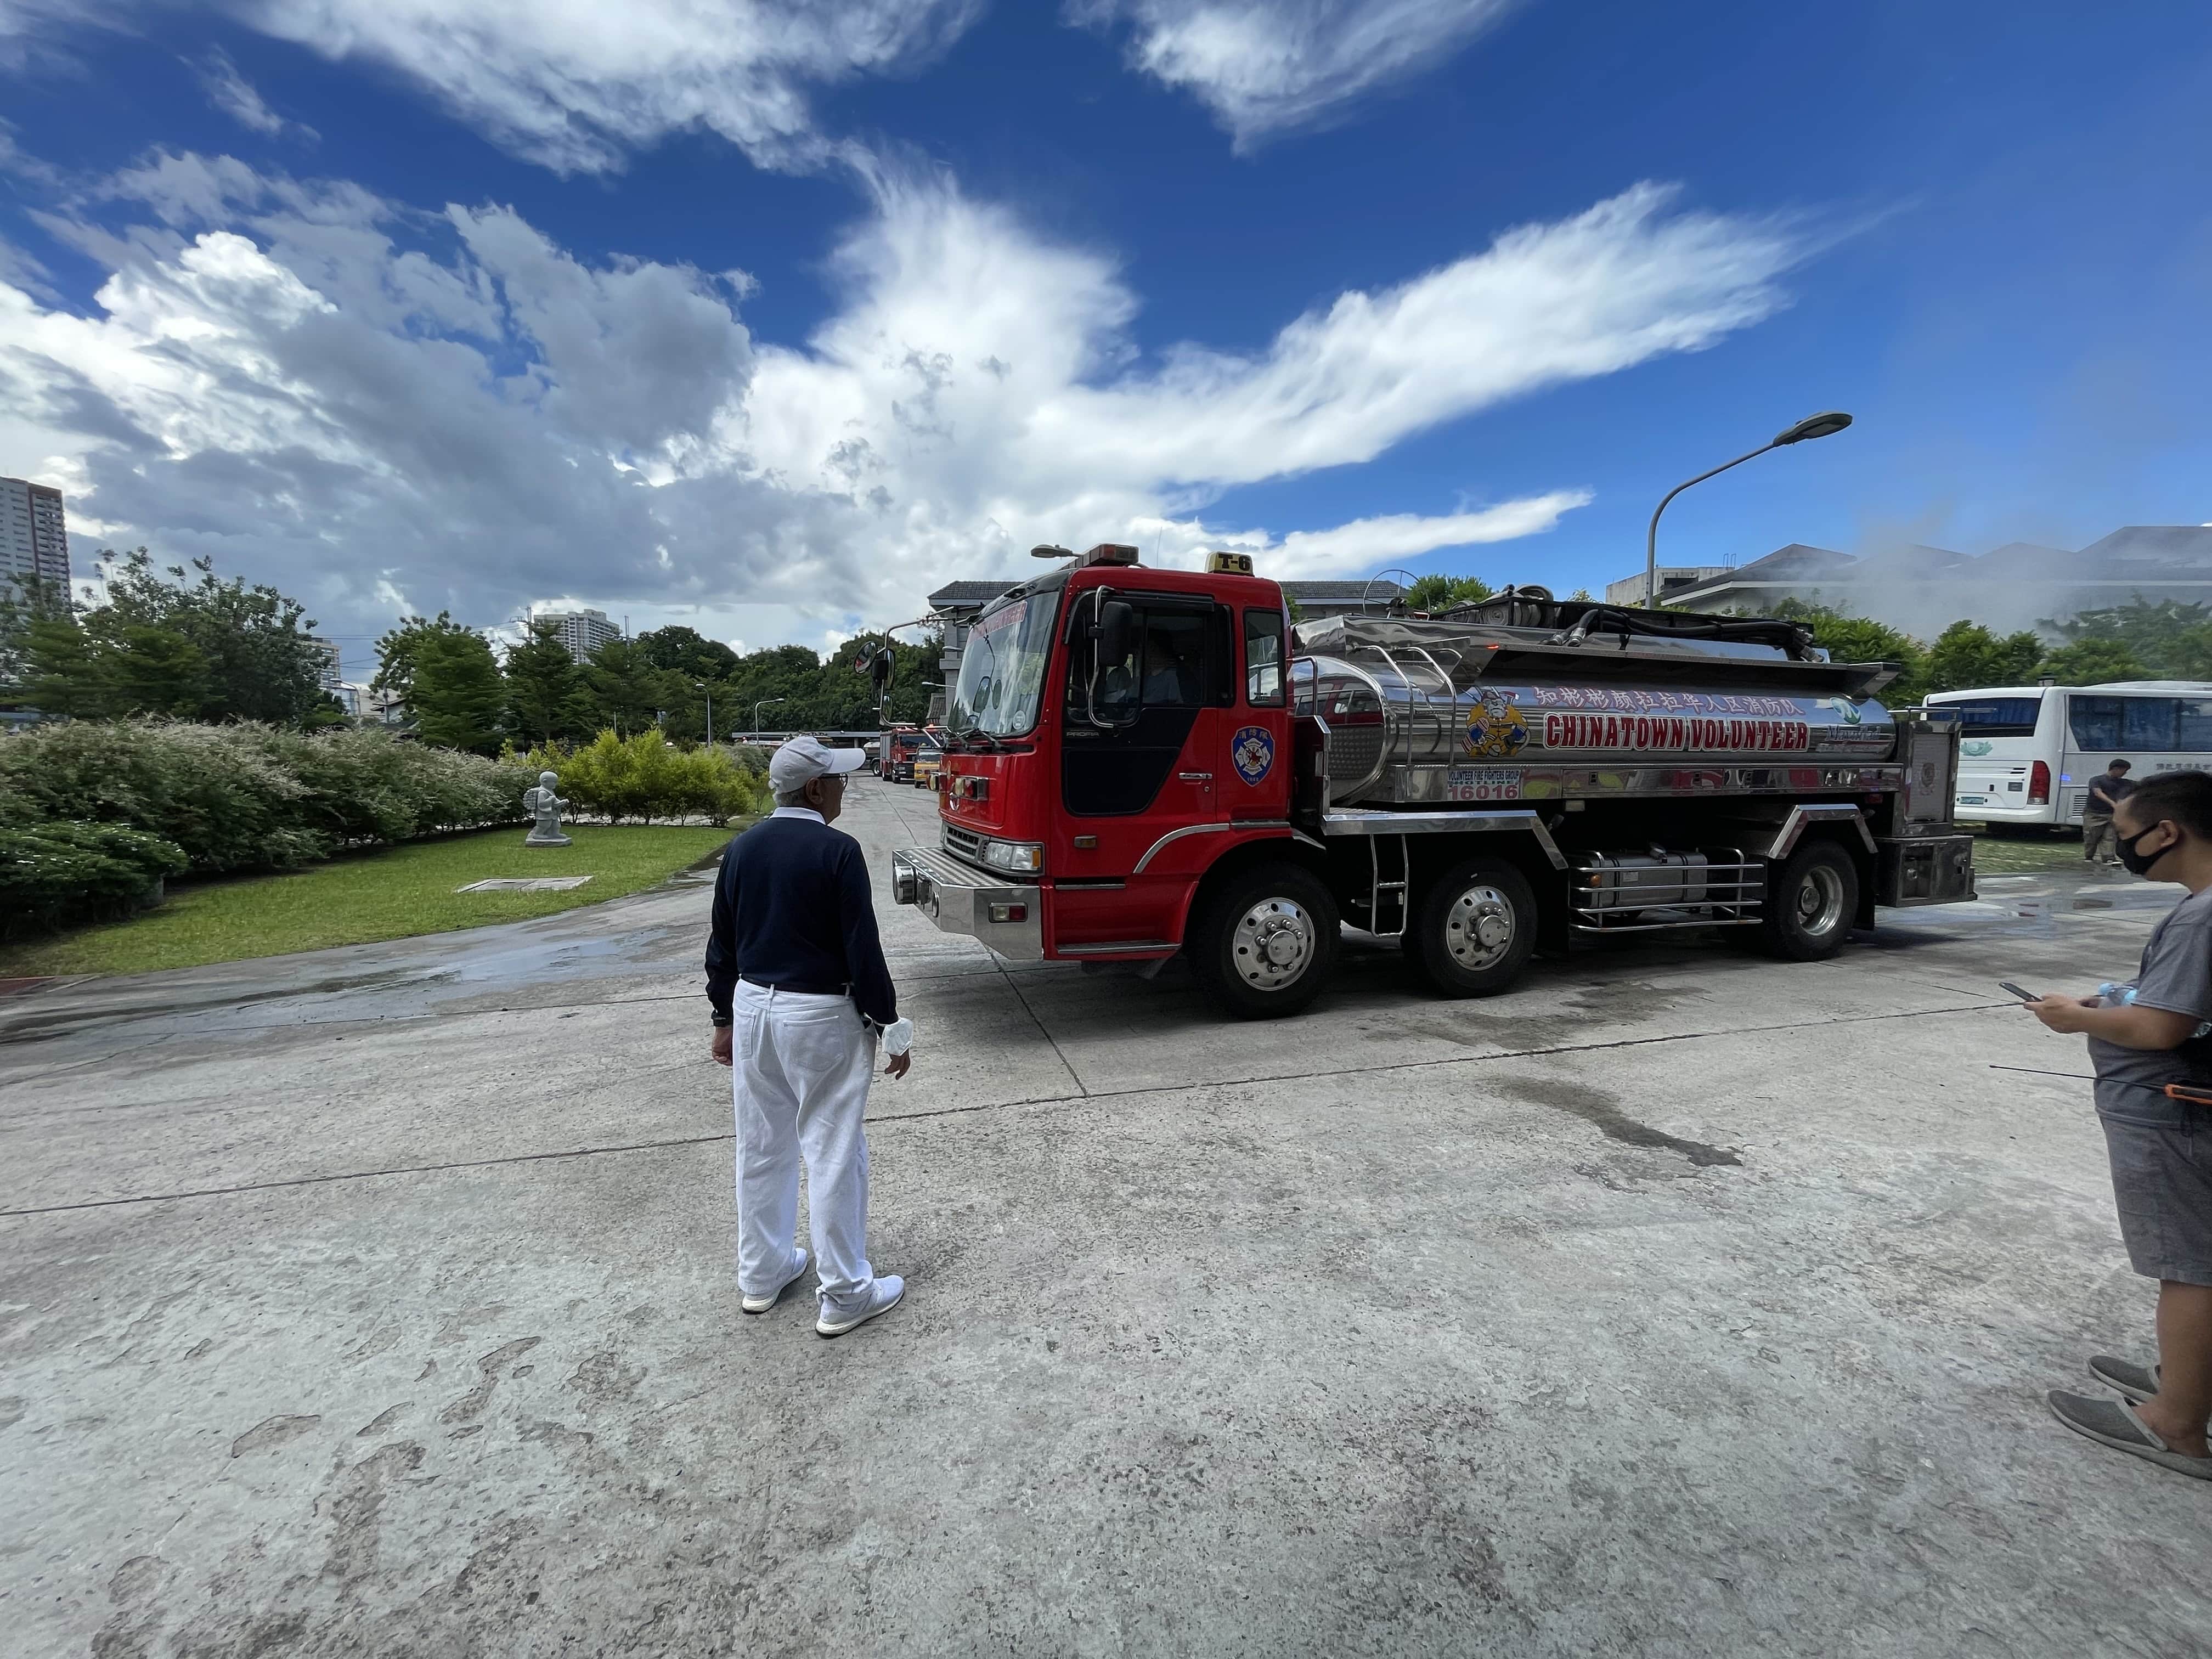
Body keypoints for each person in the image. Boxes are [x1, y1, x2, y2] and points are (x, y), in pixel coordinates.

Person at [2027, 769, 2212, 1480]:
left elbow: (2163, 1027)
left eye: (2130, 836)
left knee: (2188, 1267)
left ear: (2169, 832)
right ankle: (2187, 1382)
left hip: (2173, 1112)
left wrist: (2077, 1019)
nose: (2124, 849)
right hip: (2188, 1107)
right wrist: (2110, 997)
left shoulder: (2200, 916)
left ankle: (2176, 1424)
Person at [706, 735, 913, 1338]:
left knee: (763, 1145)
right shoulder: (837, 850)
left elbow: (722, 944)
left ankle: (763, 1273)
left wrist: (723, 1019)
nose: (845, 789)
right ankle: (846, 1293)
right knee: (832, 1149)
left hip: (754, 1007)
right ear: (816, 788)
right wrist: (892, 1029)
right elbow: (862, 949)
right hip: (820, 1015)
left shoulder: (742, 849)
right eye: (839, 781)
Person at [2081, 758, 2134, 867]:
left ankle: (2109, 858)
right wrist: (2112, 803)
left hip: (2112, 815)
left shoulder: (2125, 783)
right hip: (2094, 814)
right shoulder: (2097, 780)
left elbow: (2140, 786)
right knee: (2092, 837)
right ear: (2115, 769)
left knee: (2110, 837)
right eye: (2123, 770)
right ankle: (2089, 856)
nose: (2125, 773)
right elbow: (2097, 793)